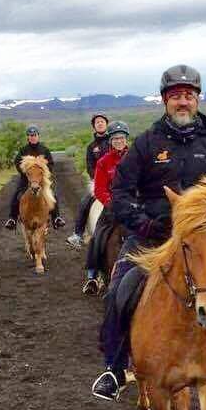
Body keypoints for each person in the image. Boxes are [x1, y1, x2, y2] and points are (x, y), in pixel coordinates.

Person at [90, 65, 206, 401]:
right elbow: (120, 192)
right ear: (165, 101)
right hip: (153, 236)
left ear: (197, 100)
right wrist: (143, 222)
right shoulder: (146, 144)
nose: (183, 102)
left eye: (189, 96)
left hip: (199, 242)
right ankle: (115, 367)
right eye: (176, 96)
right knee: (120, 289)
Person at [82, 120, 129, 294]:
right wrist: (111, 203)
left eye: (121, 138)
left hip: (132, 205)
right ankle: (92, 277)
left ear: (126, 139)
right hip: (111, 208)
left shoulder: (135, 158)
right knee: (98, 238)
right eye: (115, 138)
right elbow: (100, 189)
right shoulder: (103, 162)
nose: (118, 141)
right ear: (110, 140)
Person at [3, 125, 65, 230]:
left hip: (41, 180)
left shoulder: (44, 150)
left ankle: (56, 218)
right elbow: (17, 162)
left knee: (52, 195)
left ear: (38, 136)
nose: (33, 137)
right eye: (30, 135)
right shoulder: (23, 150)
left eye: (34, 135)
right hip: (26, 179)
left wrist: (44, 173)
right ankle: (12, 219)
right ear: (28, 137)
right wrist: (25, 173)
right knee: (16, 195)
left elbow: (50, 163)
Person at [66, 113, 111, 250]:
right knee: (85, 202)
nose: (100, 123)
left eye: (102, 121)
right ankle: (78, 234)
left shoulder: (114, 141)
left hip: (117, 181)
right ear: (94, 126)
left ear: (106, 124)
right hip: (99, 182)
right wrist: (98, 178)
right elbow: (90, 166)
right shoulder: (91, 147)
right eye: (97, 122)